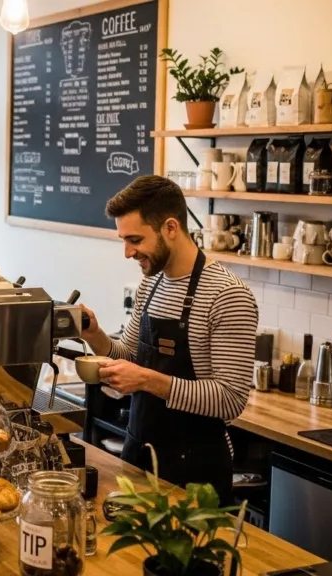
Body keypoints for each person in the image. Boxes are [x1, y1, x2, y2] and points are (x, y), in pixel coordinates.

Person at [78, 175, 257, 505]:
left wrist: (146, 380)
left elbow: (231, 399)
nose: (128, 252)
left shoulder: (227, 295)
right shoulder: (151, 284)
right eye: (124, 240)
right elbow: (129, 356)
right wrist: (94, 335)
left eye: (135, 240)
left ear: (171, 228)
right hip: (139, 455)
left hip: (196, 474)